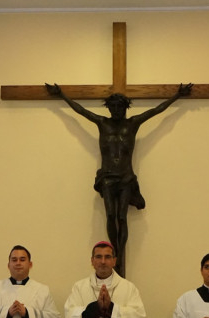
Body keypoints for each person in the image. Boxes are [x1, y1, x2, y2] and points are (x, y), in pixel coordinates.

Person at [45, 82, 192, 275]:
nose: (116, 110)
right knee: (110, 215)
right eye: (113, 107)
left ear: (125, 108)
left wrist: (177, 96)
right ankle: (113, 251)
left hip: (125, 177)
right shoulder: (102, 123)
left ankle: (119, 255)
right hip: (107, 177)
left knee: (122, 216)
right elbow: (80, 111)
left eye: (119, 107)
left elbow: (157, 111)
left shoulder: (133, 123)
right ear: (109, 108)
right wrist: (61, 95)